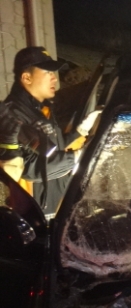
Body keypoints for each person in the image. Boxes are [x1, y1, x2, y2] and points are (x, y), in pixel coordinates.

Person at [3, 46, 92, 219]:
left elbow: (53, 148)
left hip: (56, 204)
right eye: (48, 72)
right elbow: (27, 169)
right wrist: (77, 158)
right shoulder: (12, 115)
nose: (54, 78)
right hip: (37, 213)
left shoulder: (40, 109)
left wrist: (80, 132)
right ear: (27, 77)